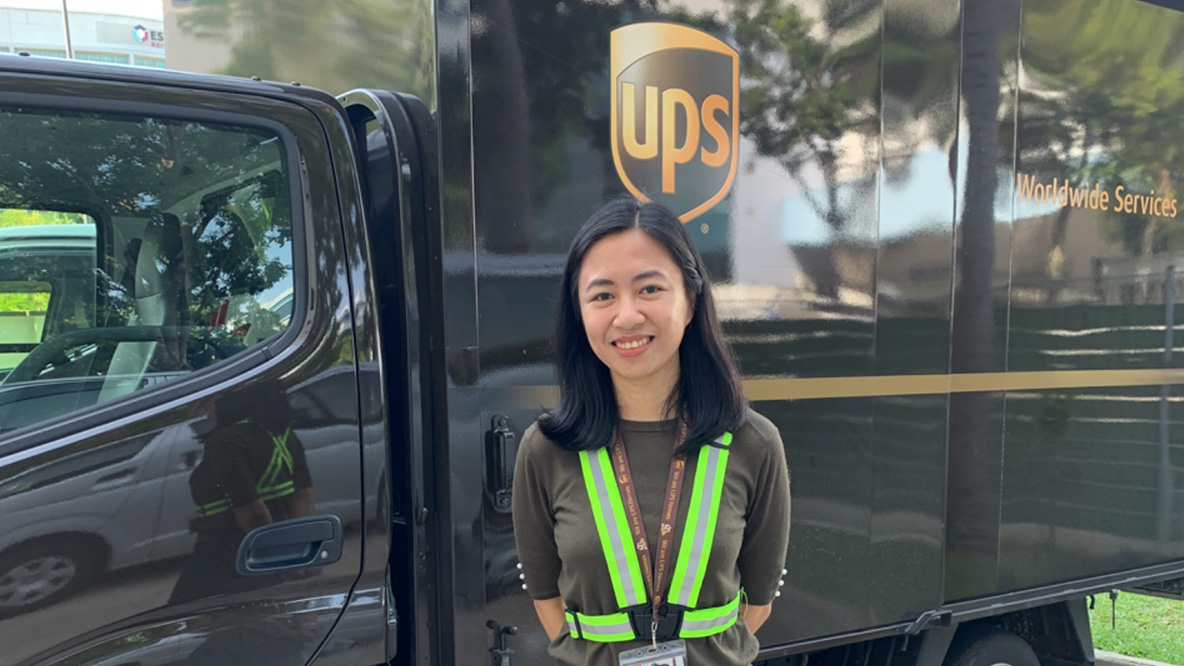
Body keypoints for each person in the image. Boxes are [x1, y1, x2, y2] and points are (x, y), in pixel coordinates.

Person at [513, 197, 791, 666]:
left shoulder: (753, 444)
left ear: (690, 301)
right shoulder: (546, 450)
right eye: (602, 295)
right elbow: (547, 602)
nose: (627, 316)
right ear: (580, 315)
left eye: (649, 289)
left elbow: (757, 604)